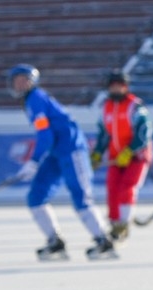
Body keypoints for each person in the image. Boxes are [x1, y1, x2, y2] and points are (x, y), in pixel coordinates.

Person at [6, 64, 115, 261]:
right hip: (57, 152)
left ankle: (103, 241)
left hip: (71, 150)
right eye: (17, 80)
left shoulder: (36, 99)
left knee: (81, 196)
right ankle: (55, 242)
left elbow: (45, 135)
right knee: (36, 196)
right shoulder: (32, 100)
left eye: (24, 79)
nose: (20, 83)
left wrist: (34, 161)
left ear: (33, 81)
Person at [90, 69, 152, 242]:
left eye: (120, 86)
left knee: (127, 187)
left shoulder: (135, 106)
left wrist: (129, 150)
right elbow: (103, 135)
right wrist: (96, 155)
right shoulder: (106, 108)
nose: (117, 90)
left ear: (126, 87)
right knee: (112, 189)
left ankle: (124, 224)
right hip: (116, 158)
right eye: (113, 86)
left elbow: (143, 133)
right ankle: (115, 223)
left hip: (136, 156)